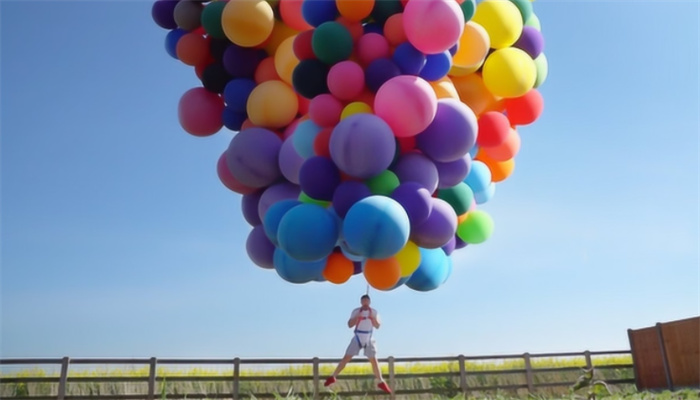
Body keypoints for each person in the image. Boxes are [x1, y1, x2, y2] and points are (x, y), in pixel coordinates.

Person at [324, 294, 392, 394]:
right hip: (358, 336)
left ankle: (381, 381)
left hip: (368, 337)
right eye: (363, 301)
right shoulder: (356, 311)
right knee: (346, 357)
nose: (365, 304)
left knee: (374, 359)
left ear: (369, 302)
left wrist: (372, 318)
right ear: (361, 302)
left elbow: (377, 326)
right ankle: (333, 376)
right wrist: (358, 318)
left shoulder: (374, 312)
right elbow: (349, 325)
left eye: (366, 301)